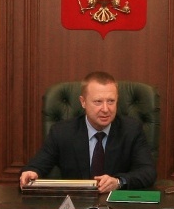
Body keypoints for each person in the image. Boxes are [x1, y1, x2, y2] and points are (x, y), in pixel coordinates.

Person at [19, 71, 157, 193]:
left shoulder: (131, 130)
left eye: (111, 101)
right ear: (83, 102)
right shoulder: (62, 132)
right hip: (76, 203)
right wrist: (31, 172)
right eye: (98, 102)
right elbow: (36, 166)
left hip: (117, 206)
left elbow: (148, 172)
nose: (105, 109)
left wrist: (118, 182)